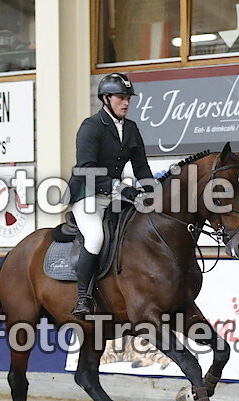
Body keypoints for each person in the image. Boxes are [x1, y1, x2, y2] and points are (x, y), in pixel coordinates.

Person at [67, 72, 154, 318]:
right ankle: (83, 297)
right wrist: (118, 187)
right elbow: (84, 168)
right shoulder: (91, 126)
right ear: (106, 98)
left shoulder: (132, 129)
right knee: (95, 237)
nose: (126, 102)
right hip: (87, 195)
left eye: (128, 98)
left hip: (113, 196)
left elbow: (141, 167)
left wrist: (153, 190)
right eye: (121, 97)